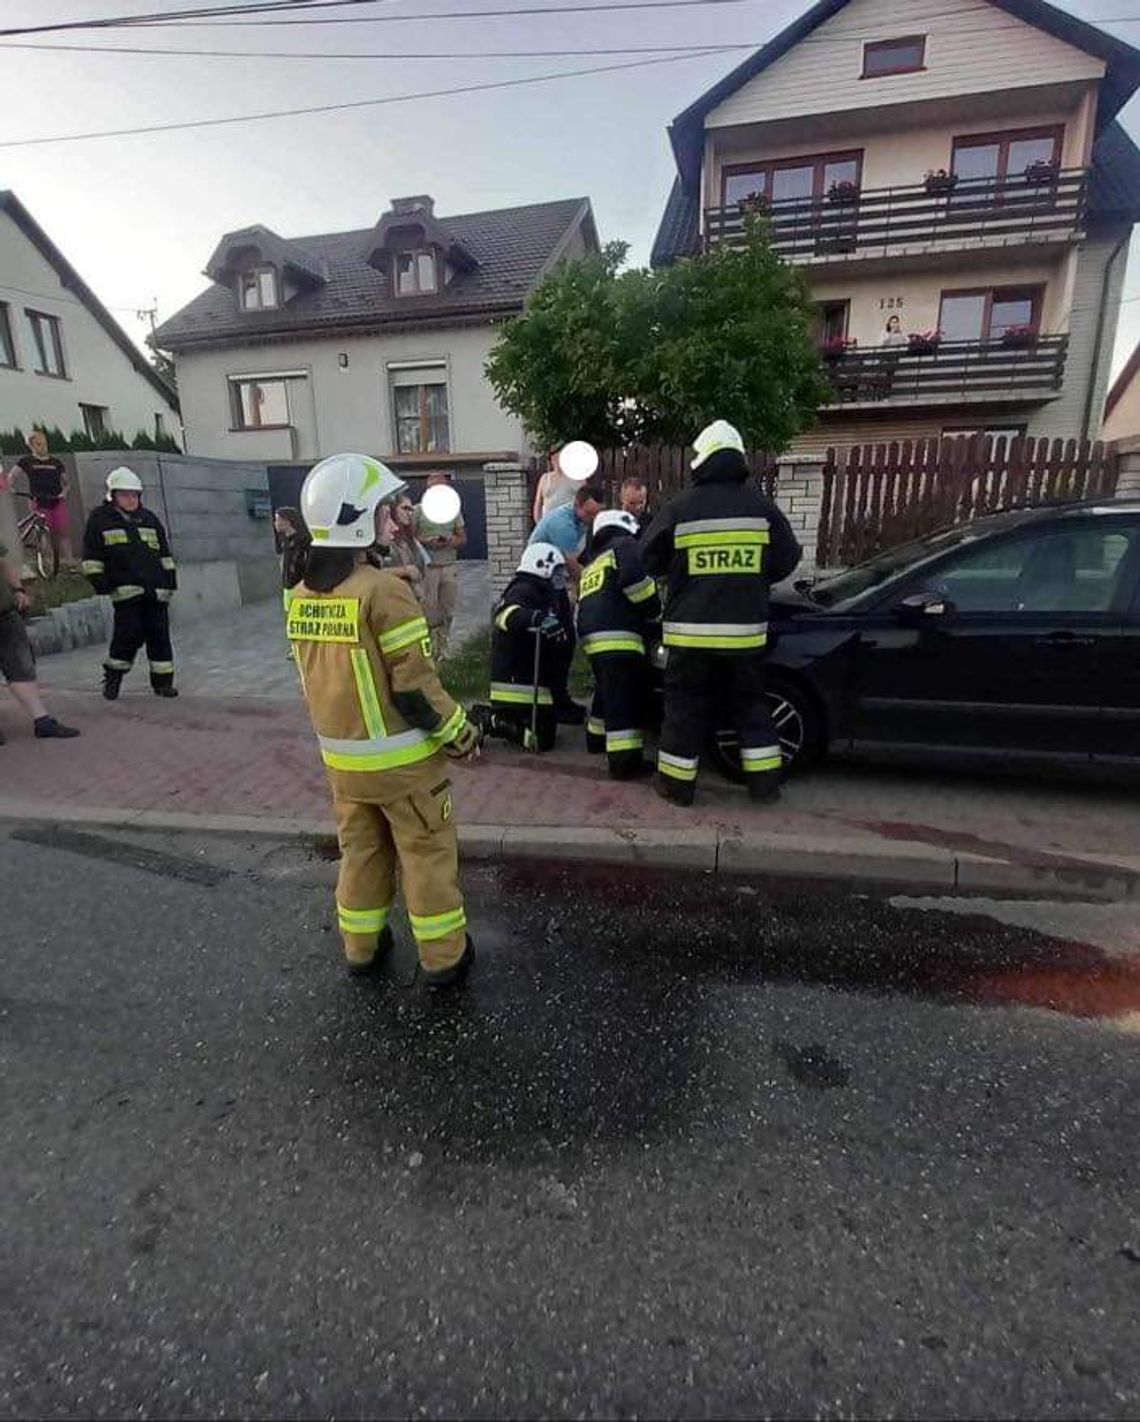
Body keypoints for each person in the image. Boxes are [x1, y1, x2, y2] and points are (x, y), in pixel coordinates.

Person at [290, 452, 480, 987]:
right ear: (358, 519)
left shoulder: (301, 595)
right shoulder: (384, 591)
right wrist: (462, 736)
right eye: (386, 508)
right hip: (404, 768)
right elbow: (416, 689)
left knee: (362, 854)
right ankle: (444, 958)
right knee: (425, 856)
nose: (396, 516)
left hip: (342, 767)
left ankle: (361, 946)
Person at [642, 419, 801, 807]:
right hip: (745, 635)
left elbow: (648, 557)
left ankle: (677, 789)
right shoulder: (761, 507)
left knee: (683, 712)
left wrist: (679, 571)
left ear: (703, 459)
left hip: (689, 635)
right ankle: (765, 787)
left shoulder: (680, 507)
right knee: (750, 707)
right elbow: (787, 559)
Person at [81, 467, 179, 700]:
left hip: (156, 591)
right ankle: (113, 677)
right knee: (128, 636)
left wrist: (169, 583)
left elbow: (165, 555)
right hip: (125, 592)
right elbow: (91, 557)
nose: (131, 499)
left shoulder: (149, 519)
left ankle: (163, 683)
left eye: (134, 495)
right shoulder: (100, 520)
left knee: (160, 637)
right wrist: (101, 583)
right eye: (125, 495)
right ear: (112, 496)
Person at [576, 510, 660, 779]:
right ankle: (625, 763)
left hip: (592, 635)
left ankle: (596, 739)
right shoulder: (625, 545)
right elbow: (635, 582)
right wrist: (654, 607)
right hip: (618, 633)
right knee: (624, 699)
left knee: (607, 689)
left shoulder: (595, 560)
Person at [475, 542, 571, 753]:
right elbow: (505, 615)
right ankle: (490, 720)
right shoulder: (522, 589)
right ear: (541, 567)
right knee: (539, 741)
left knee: (548, 734)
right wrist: (536, 618)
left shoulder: (544, 592)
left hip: (535, 680)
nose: (561, 578)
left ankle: (504, 719)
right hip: (516, 683)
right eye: (556, 571)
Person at [0, 538, 80, 743]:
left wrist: (18, 590)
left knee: (21, 667)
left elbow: (3, 561)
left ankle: (42, 721)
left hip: (5, 613)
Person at [3, 429, 72, 568]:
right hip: (38, 500)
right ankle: (46, 564)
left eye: (44, 444)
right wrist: (9, 488)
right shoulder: (27, 461)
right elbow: (11, 476)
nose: (43, 447)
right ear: (31, 445)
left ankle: (70, 563)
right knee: (43, 533)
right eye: (39, 444)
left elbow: (67, 483)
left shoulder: (56, 462)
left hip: (56, 500)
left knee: (63, 532)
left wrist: (64, 493)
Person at [415, 473, 466, 660]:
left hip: (448, 566)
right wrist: (427, 541)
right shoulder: (418, 511)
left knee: (447, 610)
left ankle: (443, 650)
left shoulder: (454, 512)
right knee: (428, 610)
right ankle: (427, 650)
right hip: (428, 569)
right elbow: (410, 540)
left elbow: (463, 538)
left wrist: (450, 540)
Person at [386, 491, 430, 598]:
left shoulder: (410, 539)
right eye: (405, 508)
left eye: (411, 509)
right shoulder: (383, 539)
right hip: (392, 597)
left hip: (413, 597)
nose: (409, 513)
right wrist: (404, 571)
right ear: (393, 508)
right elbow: (371, 573)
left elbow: (424, 564)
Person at [531, 448, 576, 525]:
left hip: (569, 524)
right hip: (549, 524)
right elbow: (538, 503)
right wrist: (539, 524)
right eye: (555, 457)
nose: (557, 460)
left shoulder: (576, 477)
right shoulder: (545, 478)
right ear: (551, 460)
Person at [274, 506, 311, 591]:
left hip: (301, 588)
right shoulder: (284, 541)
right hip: (287, 586)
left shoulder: (304, 540)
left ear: (287, 521)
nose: (275, 523)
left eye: (277, 519)